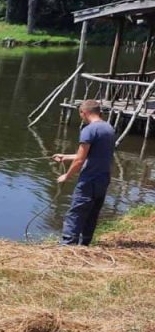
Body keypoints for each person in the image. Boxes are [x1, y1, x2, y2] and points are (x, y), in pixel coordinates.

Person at [52, 99, 116, 246]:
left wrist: (66, 176)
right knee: (92, 214)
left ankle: (67, 246)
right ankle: (85, 244)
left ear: (84, 112)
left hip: (89, 180)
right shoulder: (109, 128)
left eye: (80, 113)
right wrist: (65, 157)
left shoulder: (89, 130)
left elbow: (80, 160)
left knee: (75, 213)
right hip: (103, 178)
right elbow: (92, 154)